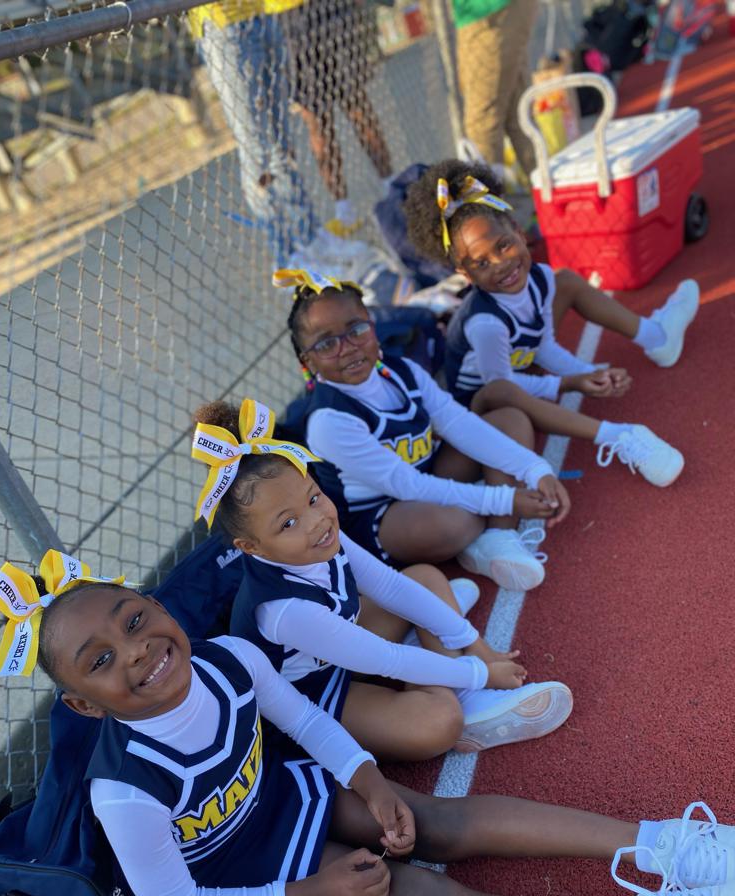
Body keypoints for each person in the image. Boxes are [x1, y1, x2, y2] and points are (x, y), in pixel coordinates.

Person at [0, 556, 735, 896]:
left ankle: (665, 844)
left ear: (154, 605)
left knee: (434, 821)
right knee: (413, 894)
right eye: (102, 660)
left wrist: (370, 782)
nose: (137, 649)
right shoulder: (124, 791)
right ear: (84, 704)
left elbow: (309, 724)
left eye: (133, 619)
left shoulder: (230, 661)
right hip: (248, 879)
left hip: (285, 798)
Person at [191, 398, 573, 755]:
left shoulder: (322, 535)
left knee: (423, 579)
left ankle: (454, 677)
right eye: (288, 523)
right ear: (250, 547)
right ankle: (464, 697)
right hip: (312, 694)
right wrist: (479, 673)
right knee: (439, 722)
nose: (316, 521)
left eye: (313, 498)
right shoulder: (284, 610)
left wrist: (474, 643)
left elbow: (390, 585)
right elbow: (387, 660)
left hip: (341, 646)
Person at [273, 267, 571, 590]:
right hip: (386, 515)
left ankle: (499, 537)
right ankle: (474, 531)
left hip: (428, 474)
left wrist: (535, 469)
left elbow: (458, 423)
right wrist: (505, 499)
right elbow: (408, 486)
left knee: (509, 421)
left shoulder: (404, 371)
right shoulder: (329, 420)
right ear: (307, 361)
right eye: (326, 344)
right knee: (453, 523)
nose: (347, 347)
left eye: (356, 329)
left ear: (373, 326)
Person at [402, 160, 697, 486]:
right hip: (482, 411)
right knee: (504, 391)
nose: (501, 265)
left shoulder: (540, 278)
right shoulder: (486, 323)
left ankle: (657, 337)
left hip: (515, 375)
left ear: (518, 231)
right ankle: (618, 436)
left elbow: (541, 345)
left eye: (503, 245)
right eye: (481, 263)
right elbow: (501, 388)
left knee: (566, 281)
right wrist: (568, 383)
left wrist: (587, 373)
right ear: (465, 274)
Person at [188, 1, 317, 264]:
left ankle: (310, 239)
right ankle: (287, 255)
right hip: (222, 23)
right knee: (255, 149)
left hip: (260, 11)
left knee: (281, 143)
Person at [284, 0, 394, 236]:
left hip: (332, 13)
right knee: (318, 122)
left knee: (358, 108)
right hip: (292, 23)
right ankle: (344, 210)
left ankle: (390, 186)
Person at [452, 0, 538, 180]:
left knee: (482, 124)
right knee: (518, 114)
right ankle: (548, 190)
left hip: (487, 12)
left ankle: (489, 197)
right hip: (488, 12)